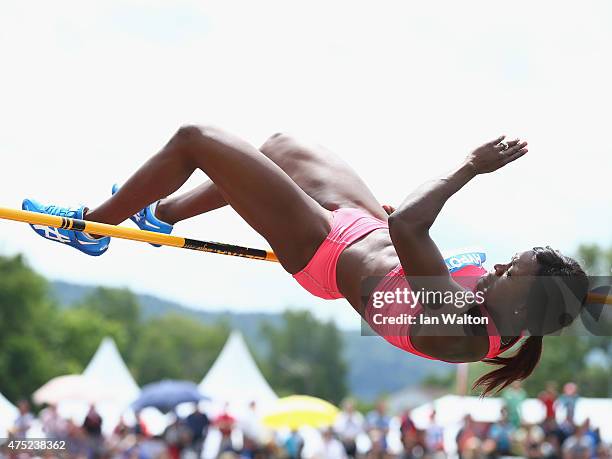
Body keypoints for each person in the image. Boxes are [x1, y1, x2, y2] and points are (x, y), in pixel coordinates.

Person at [24, 128, 589, 394]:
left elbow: (409, 226)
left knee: (196, 140)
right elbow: (404, 231)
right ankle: (162, 213)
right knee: (278, 146)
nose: (496, 269)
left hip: (324, 252)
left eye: (509, 273)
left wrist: (468, 165)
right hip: (363, 228)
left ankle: (92, 226)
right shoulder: (509, 306)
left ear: (521, 301)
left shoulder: (463, 327)